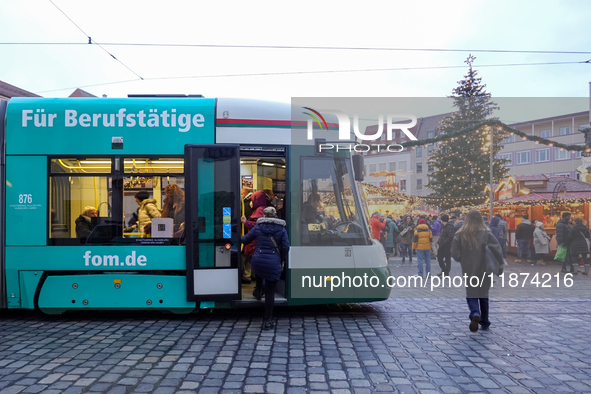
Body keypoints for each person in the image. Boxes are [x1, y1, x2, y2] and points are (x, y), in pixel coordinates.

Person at [451, 210, 503, 332]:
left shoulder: (460, 233)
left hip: (469, 269)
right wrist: (500, 264)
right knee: (484, 295)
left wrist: (462, 259)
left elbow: (454, 253)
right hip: (485, 268)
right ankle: (485, 321)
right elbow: (497, 249)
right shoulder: (486, 232)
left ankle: (475, 312)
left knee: (471, 293)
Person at [241, 206, 290, 330]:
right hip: (273, 262)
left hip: (257, 260)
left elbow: (245, 240)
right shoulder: (281, 229)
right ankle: (267, 321)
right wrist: (281, 258)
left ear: (264, 216)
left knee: (259, 271)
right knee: (270, 292)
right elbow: (285, 247)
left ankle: (258, 290)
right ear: (275, 216)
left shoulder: (258, 227)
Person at [242, 190, 269, 289]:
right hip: (254, 240)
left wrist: (246, 222)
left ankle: (249, 277)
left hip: (254, 240)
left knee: (250, 258)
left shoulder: (259, 210)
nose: (251, 203)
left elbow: (257, 225)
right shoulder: (262, 209)